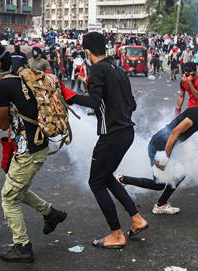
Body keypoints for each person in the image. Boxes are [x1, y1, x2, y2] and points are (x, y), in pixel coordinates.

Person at [0, 41, 67, 263]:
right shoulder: (21, 78)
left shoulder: (2, 86)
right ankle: (51, 213)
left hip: (29, 150)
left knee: (8, 198)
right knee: (16, 188)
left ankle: (22, 246)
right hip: (37, 146)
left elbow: (2, 123)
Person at [58, 32, 148, 249]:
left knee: (96, 182)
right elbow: (131, 104)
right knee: (106, 177)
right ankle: (136, 219)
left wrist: (67, 94)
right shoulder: (117, 68)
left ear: (87, 52)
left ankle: (116, 235)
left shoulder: (97, 69)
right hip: (126, 132)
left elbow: (94, 102)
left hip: (112, 136)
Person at [117, 85, 198, 214]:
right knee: (159, 184)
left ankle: (159, 203)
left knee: (179, 174)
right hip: (159, 146)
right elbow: (175, 132)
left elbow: (179, 132)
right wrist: (164, 157)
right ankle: (123, 180)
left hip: (164, 145)